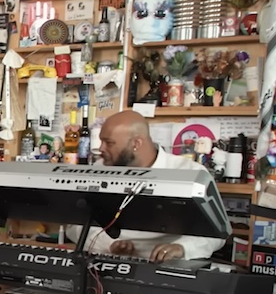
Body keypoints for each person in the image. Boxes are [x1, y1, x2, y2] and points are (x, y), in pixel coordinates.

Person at [65, 110, 226, 262]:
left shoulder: (191, 173)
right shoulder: (99, 170)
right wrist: (108, 245)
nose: (101, 149)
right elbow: (74, 224)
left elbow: (217, 233)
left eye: (109, 143)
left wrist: (182, 248)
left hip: (166, 268)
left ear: (136, 143)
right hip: (107, 261)